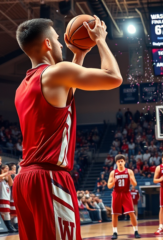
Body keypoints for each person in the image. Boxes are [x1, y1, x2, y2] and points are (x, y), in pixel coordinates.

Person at [14, 16, 122, 239]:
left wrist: (80, 54)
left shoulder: (22, 87)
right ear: (47, 44)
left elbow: (67, 91)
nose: (61, 43)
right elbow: (114, 78)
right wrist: (101, 40)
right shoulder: (56, 72)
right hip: (49, 178)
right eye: (56, 38)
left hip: (24, 180)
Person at [107, 154, 141, 239]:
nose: (120, 163)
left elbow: (135, 184)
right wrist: (113, 182)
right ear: (116, 163)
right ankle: (115, 232)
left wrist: (132, 180)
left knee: (131, 213)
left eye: (122, 161)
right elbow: (109, 186)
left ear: (124, 162)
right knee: (114, 214)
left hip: (126, 193)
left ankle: (136, 231)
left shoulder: (129, 171)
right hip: (116, 194)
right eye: (119, 161)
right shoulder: (113, 172)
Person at [0, 165, 16, 232]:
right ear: (3, 169)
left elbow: (11, 184)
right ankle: (9, 227)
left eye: (8, 168)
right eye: (6, 168)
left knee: (7, 213)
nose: (8, 169)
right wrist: (7, 173)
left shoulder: (6, 178)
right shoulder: (1, 177)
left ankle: (9, 227)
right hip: (2, 197)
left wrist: (9, 175)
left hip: (7, 198)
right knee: (5, 213)